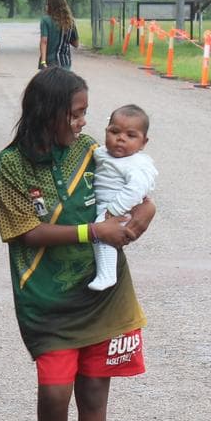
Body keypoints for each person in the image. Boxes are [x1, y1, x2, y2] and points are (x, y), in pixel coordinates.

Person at [0, 67, 156, 421]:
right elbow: (26, 231)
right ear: (50, 114)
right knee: (54, 392)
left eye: (86, 113)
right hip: (46, 300)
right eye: (78, 114)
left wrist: (147, 210)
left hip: (104, 295)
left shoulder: (90, 153)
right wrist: (92, 230)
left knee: (96, 394)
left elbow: (135, 185)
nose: (85, 123)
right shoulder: (9, 167)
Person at [89, 105, 157, 291]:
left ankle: (107, 274)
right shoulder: (100, 152)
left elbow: (136, 190)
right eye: (114, 132)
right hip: (104, 205)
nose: (120, 138)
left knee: (101, 233)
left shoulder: (137, 163)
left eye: (131, 135)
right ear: (106, 132)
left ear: (143, 142)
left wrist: (114, 210)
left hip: (119, 209)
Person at [39, 0, 80, 70]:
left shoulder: (46, 20)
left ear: (52, 6)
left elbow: (44, 41)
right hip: (65, 62)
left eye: (47, 4)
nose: (46, 7)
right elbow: (76, 44)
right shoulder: (70, 21)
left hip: (50, 62)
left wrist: (43, 61)